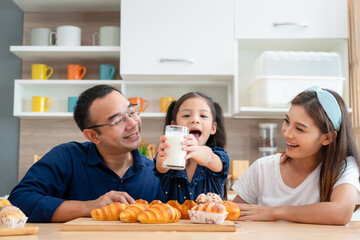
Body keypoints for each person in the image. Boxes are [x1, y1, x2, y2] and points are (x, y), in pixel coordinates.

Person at [8, 85, 160, 223]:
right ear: (93, 135)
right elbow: (20, 201)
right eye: (118, 121)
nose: (133, 124)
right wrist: (91, 206)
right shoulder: (67, 158)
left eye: (132, 112)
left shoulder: (156, 172)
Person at [232, 86, 360, 225]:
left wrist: (273, 212)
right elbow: (232, 214)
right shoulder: (262, 168)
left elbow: (340, 212)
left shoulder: (344, 168)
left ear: (327, 138)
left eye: (299, 129)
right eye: (287, 121)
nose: (287, 133)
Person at [155, 92, 229, 203]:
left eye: (203, 116)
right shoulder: (170, 157)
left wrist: (194, 149)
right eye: (186, 115)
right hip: (174, 219)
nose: (195, 120)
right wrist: (163, 159)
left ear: (213, 128)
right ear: (175, 126)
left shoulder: (218, 156)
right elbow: (161, 168)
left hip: (207, 219)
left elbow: (209, 158)